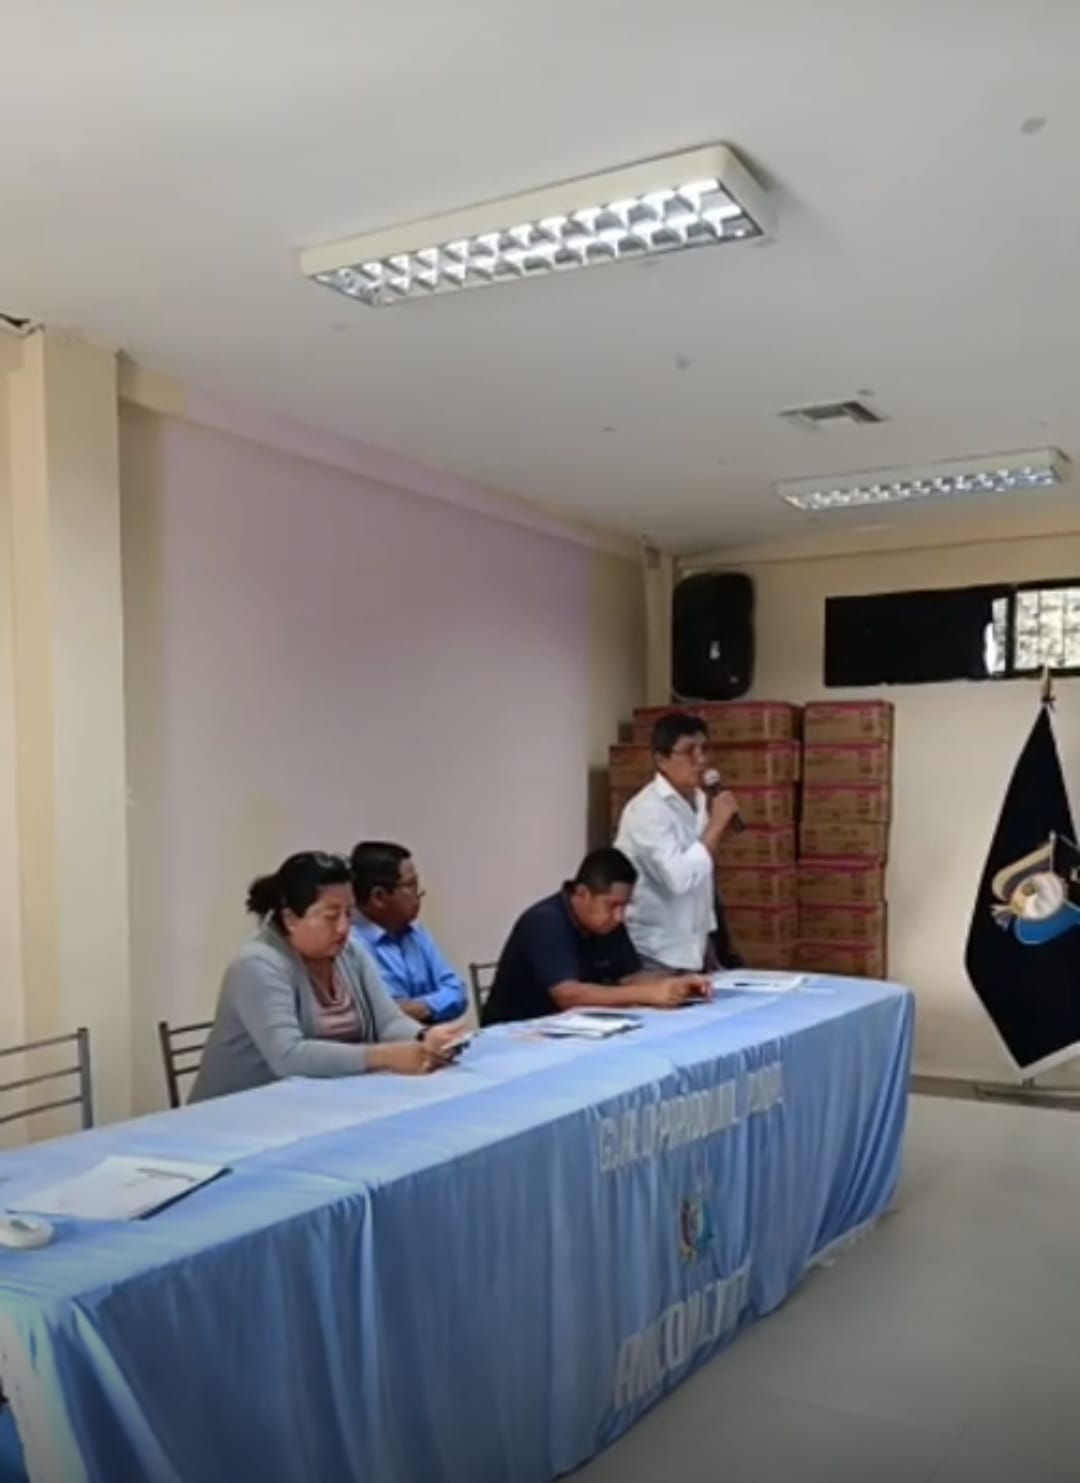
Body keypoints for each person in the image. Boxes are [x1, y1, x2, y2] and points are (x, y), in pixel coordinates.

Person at [190, 851, 464, 1102]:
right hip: (238, 1110)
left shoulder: (351, 952)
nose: (344, 927)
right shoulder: (258, 965)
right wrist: (382, 1056)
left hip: (314, 1102)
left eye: (348, 914)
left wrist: (424, 1037)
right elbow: (289, 1056)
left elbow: (387, 1020)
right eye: (331, 916)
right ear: (290, 918)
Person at [480, 847, 712, 1025]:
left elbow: (629, 978)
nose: (620, 916)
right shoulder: (545, 922)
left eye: (625, 906)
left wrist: (675, 983)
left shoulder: (608, 923)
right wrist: (650, 994)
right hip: (518, 1037)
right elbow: (568, 995)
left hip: (578, 1030)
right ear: (582, 894)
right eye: (612, 905)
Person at [614, 712, 741, 974]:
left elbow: (701, 874)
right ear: (661, 760)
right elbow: (679, 878)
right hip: (656, 951)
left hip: (696, 944)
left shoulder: (701, 799)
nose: (701, 760)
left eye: (704, 749)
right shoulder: (647, 810)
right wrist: (715, 826)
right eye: (689, 751)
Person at [349, 841, 467, 1025]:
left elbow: (457, 992)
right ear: (379, 897)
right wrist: (436, 1003)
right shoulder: (350, 944)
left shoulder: (416, 932)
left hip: (436, 1037)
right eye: (411, 885)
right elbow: (383, 1017)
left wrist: (417, 1008)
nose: (420, 893)